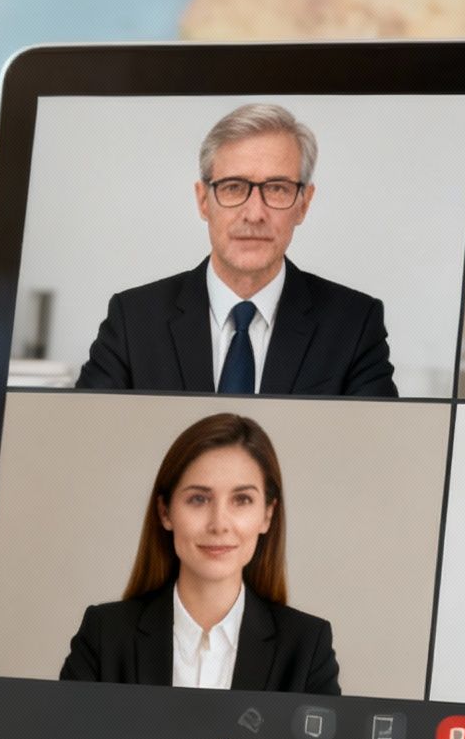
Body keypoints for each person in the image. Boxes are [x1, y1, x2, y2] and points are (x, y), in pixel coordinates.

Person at [74, 103, 397, 397]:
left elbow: (377, 452)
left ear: (303, 204)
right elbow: (87, 443)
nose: (254, 213)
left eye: (277, 189)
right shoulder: (134, 320)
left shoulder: (354, 324)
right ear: (203, 200)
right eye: (233, 188)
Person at [60, 412, 341, 694]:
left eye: (242, 500)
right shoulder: (104, 635)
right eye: (198, 499)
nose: (219, 524)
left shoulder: (307, 646)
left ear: (267, 514)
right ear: (165, 512)